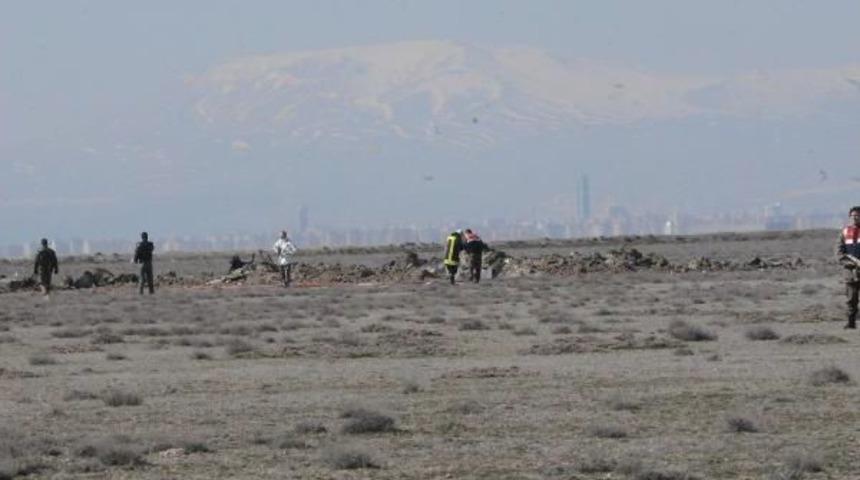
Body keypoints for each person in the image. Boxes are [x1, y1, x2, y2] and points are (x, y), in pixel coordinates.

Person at [836, 206, 860, 329]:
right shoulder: (844, 232)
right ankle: (851, 323)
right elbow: (839, 254)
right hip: (851, 273)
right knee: (851, 300)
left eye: (857, 215)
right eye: (852, 215)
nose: (855, 217)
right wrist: (853, 263)